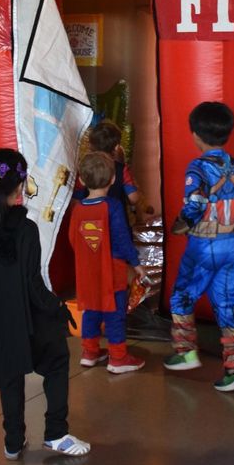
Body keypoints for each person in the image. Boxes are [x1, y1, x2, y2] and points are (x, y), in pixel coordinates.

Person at [0, 148, 90, 460]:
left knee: (10, 372)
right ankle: (56, 433)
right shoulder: (25, 229)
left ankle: (13, 442)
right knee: (56, 359)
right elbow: (32, 283)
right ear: (20, 185)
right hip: (25, 320)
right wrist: (57, 308)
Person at [163, 102, 234, 392]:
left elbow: (196, 203)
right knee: (229, 305)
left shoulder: (198, 167)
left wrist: (181, 223)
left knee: (181, 297)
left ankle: (186, 351)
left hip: (205, 244)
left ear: (196, 136)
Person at [68, 151, 147, 374]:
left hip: (86, 270)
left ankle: (90, 352)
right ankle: (118, 357)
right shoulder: (112, 206)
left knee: (90, 309)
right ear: (113, 180)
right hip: (111, 271)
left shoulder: (78, 208)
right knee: (115, 312)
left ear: (82, 181)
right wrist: (136, 263)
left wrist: (86, 256)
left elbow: (73, 239)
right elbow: (122, 238)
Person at [78, 120, 142, 223]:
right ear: (117, 147)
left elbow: (76, 198)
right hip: (116, 220)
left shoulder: (85, 167)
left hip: (90, 223)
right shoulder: (121, 169)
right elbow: (133, 198)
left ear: (90, 146)